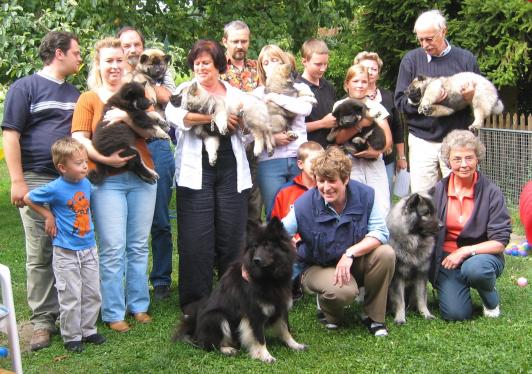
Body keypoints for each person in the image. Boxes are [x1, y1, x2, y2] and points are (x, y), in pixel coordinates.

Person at [2, 30, 82, 351]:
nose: (80, 56)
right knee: (40, 252)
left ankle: (71, 314)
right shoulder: (25, 87)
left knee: (70, 247)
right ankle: (42, 322)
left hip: (70, 184)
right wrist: (17, 180)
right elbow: (11, 135)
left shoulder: (76, 93)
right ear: (59, 53)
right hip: (36, 179)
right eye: (76, 51)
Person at [71, 37, 156, 333]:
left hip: (143, 178)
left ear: (126, 62)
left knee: (137, 245)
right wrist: (104, 158)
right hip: (107, 180)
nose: (115, 66)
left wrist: (127, 118)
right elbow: (79, 138)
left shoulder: (136, 92)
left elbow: (152, 128)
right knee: (112, 247)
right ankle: (114, 310)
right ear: (99, 64)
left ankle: (139, 305)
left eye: (119, 60)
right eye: (108, 61)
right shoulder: (89, 99)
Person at [165, 40, 251, 310]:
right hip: (195, 170)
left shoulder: (235, 93)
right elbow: (176, 116)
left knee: (232, 237)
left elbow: (248, 129)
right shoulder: (184, 90)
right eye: (197, 63)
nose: (201, 67)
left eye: (207, 63)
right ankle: (196, 304)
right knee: (195, 239)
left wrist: (242, 122)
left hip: (231, 169)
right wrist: (215, 117)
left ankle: (233, 299)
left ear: (218, 66)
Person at [282, 146, 395, 336]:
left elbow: (380, 232)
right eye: (321, 181)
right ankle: (327, 310)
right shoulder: (303, 205)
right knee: (343, 291)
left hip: (353, 260)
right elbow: (278, 232)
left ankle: (374, 317)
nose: (326, 188)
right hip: (318, 266)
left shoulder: (366, 195)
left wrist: (350, 254)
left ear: (346, 179)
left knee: (386, 254)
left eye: (332, 181)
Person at [23, 138, 105, 353]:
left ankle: (89, 330)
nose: (85, 166)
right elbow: (28, 197)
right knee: (70, 294)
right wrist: (48, 214)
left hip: (88, 247)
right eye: (79, 163)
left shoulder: (86, 183)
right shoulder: (55, 187)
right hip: (66, 251)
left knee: (92, 291)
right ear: (62, 167)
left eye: (85, 161)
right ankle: (71, 336)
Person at [117, 26, 176, 301]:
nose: (131, 49)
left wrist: (144, 91)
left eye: (135, 44)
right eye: (125, 45)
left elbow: (165, 98)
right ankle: (131, 279)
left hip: (158, 143)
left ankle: (162, 279)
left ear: (142, 48)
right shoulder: (114, 72)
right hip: (128, 142)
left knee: (161, 217)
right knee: (127, 217)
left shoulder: (159, 67)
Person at [395, 9, 480, 193]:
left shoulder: (466, 60)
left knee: (462, 194)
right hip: (421, 141)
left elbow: (482, 103)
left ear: (444, 32)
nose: (424, 44)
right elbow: (400, 103)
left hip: (457, 140)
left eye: (429, 39)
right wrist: (422, 100)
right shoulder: (411, 61)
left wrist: (470, 98)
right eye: (420, 39)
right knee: (423, 199)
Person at [430, 130, 511, 321]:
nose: (464, 164)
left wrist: (465, 251)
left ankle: (490, 301)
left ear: (477, 159)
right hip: (446, 260)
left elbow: (500, 241)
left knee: (475, 270)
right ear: (448, 161)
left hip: (482, 257)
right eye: (457, 159)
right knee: (456, 315)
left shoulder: (491, 192)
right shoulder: (436, 191)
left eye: (469, 158)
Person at [253, 44, 315, 218]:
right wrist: (272, 138)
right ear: (262, 69)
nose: (271, 65)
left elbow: (304, 109)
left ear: (284, 64)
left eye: (275, 60)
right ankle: (276, 245)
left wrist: (274, 97)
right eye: (266, 63)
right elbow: (252, 130)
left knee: (304, 208)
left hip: (299, 158)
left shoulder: (301, 88)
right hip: (270, 160)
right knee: (275, 211)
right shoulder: (258, 94)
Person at [334, 64, 393, 216]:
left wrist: (375, 151)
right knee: (354, 203)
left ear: (369, 84)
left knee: (381, 204)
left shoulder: (376, 107)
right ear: (347, 84)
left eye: (364, 82)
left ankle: (380, 237)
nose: (360, 85)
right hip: (350, 162)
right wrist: (360, 125)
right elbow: (338, 138)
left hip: (374, 162)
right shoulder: (340, 106)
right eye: (355, 81)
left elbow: (388, 140)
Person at [220, 20, 263, 226]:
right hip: (227, 141)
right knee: (229, 199)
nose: (240, 46)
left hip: (255, 142)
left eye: (243, 41)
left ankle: (252, 252)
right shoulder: (216, 70)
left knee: (254, 199)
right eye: (235, 41)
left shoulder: (258, 68)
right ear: (225, 41)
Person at [353, 51, 407, 198]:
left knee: (384, 201)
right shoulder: (349, 99)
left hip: (386, 159)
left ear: (378, 73)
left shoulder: (388, 96)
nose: (369, 72)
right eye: (365, 68)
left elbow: (397, 128)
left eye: (374, 69)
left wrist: (401, 157)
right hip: (358, 159)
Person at [296, 39, 337, 149]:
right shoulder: (295, 88)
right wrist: (322, 123)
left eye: (325, 64)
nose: (323, 68)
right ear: (304, 61)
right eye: (318, 64)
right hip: (306, 153)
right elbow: (291, 129)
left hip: (329, 151)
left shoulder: (329, 87)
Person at [270, 141, 324, 221]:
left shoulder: (327, 189)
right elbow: (274, 226)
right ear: (300, 164)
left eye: (320, 162)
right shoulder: (284, 192)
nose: (317, 167)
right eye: (313, 162)